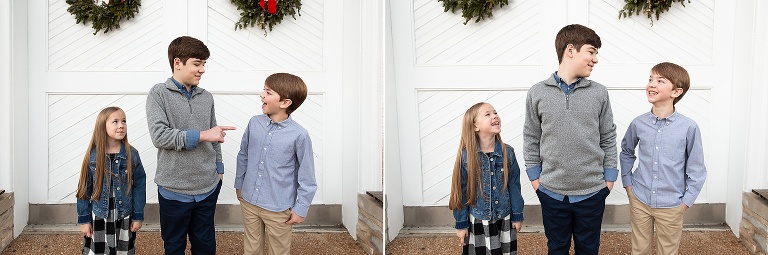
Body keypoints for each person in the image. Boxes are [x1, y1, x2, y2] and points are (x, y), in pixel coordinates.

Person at [523, 24, 617, 254]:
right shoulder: (537, 92)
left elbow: (608, 136)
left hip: (593, 191)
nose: (595, 59)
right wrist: (536, 179)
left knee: (588, 249)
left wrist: (609, 179)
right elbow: (531, 136)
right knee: (557, 248)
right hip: (551, 192)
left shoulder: (599, 92)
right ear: (571, 50)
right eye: (591, 52)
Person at [146, 36, 236, 254]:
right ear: (177, 63)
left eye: (204, 64)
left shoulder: (207, 97)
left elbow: (215, 135)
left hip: (207, 188)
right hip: (173, 191)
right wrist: (204, 135)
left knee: (206, 247)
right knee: (174, 247)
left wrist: (219, 169)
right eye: (197, 64)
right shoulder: (158, 93)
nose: (202, 70)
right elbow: (160, 137)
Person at [620, 62, 707, 255]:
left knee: (667, 251)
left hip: (672, 204)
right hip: (640, 199)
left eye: (660, 81)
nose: (652, 84)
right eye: (650, 79)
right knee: (639, 250)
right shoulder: (638, 123)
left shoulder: (689, 127)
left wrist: (685, 202)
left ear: (676, 91)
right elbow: (626, 151)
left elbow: (697, 169)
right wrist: (628, 184)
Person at [235, 73, 318, 255]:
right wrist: (239, 185)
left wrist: (301, 208)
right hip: (249, 200)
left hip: (278, 207)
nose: (262, 95)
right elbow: (243, 155)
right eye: (263, 90)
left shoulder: (299, 135)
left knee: (278, 251)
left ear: (285, 103)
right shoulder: (254, 123)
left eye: (268, 92)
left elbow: (307, 176)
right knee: (251, 249)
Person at [449, 102, 524, 255]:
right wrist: (461, 224)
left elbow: (514, 186)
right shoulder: (466, 156)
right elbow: (460, 192)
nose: (495, 116)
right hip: (478, 219)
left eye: (495, 112)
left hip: (503, 218)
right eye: (488, 114)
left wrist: (517, 216)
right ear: (475, 126)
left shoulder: (508, 153)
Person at [76, 106, 146, 255]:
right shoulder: (93, 156)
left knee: (123, 251)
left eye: (124, 121)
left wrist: (138, 215)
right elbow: (84, 189)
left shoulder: (132, 154)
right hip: (99, 215)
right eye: (115, 121)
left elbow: (139, 186)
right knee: (99, 251)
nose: (121, 125)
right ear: (103, 126)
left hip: (123, 215)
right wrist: (84, 220)